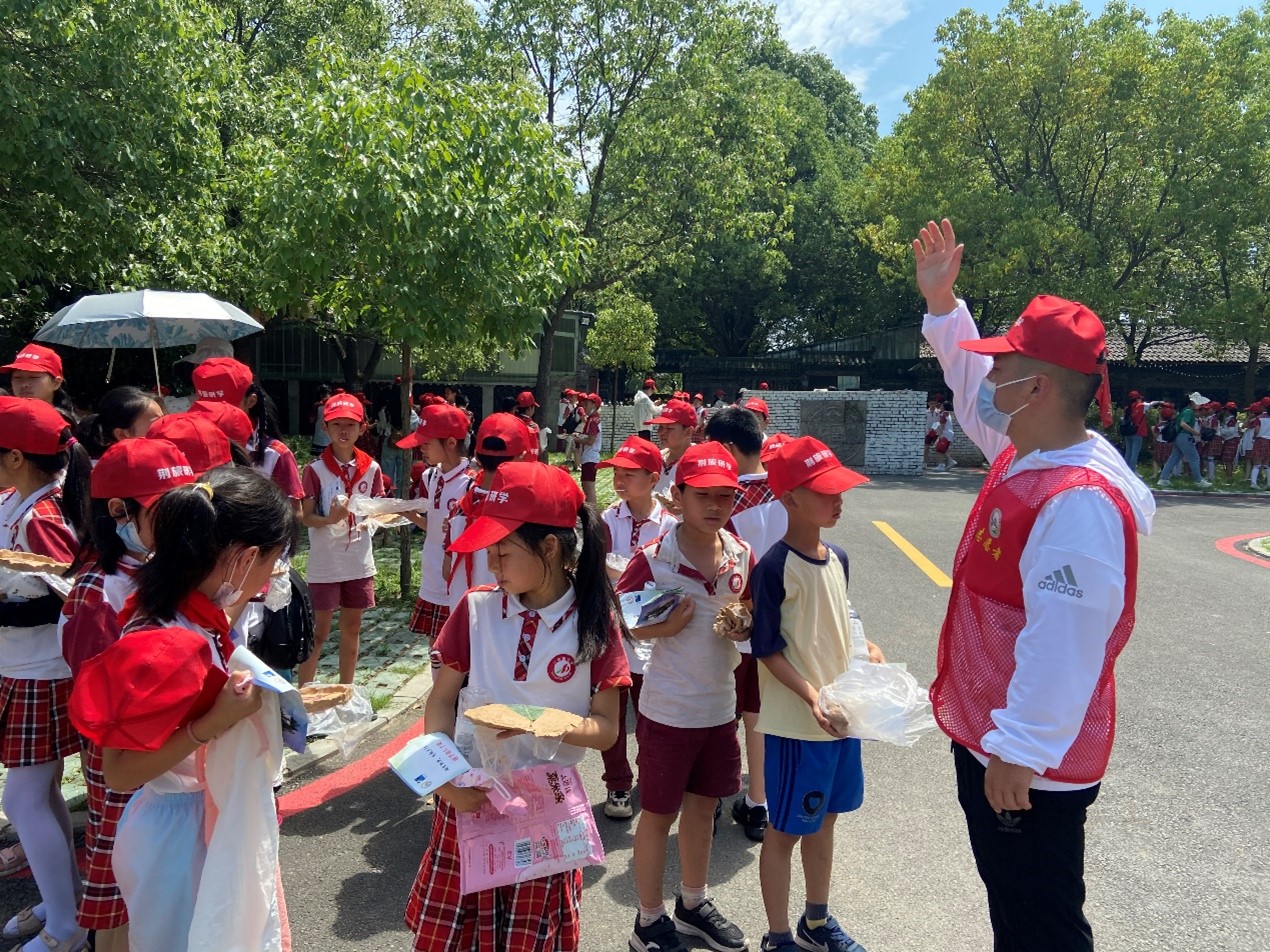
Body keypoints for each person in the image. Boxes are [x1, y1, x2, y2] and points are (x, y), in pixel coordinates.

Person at [914, 218, 1155, 952]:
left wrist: (1021, 747)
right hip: (999, 739)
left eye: (1003, 369)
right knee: (1016, 912)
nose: (990, 381)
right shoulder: (1030, 449)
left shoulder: (1077, 501)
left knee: (1042, 927)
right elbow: (969, 392)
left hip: (1027, 767)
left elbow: (1066, 642)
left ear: (1037, 388)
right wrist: (943, 307)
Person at [404, 462, 630, 952]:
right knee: (454, 935)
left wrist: (536, 722)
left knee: (530, 936)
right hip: (470, 794)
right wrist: (444, 781)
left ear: (549, 546)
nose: (492, 564)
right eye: (488, 551)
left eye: (502, 551)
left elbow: (607, 729)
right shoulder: (477, 609)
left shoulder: (594, 621)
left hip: (544, 810)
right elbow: (442, 700)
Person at [73, 466, 298, 952]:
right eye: (273, 561)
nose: (271, 577)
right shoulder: (169, 646)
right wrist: (212, 724)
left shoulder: (182, 608)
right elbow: (119, 771)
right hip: (180, 839)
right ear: (247, 558)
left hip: (190, 821)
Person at [59, 438, 196, 952]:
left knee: (157, 886)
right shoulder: (101, 591)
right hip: (126, 757)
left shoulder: (162, 570)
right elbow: (100, 701)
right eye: (167, 511)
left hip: (165, 754)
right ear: (118, 511)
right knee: (122, 891)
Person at [617, 442, 754, 952]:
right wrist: (665, 627)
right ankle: (648, 919)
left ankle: (693, 904)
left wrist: (744, 624)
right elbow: (628, 623)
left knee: (704, 810)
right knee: (658, 815)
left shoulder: (740, 553)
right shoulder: (656, 559)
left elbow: (750, 610)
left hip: (719, 710)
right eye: (703, 495)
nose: (716, 506)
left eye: (726, 496)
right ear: (677, 495)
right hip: (668, 711)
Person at [751, 436, 876, 952]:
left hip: (841, 720)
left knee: (826, 821)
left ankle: (816, 923)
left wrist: (865, 648)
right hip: (797, 727)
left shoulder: (838, 558)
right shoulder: (773, 567)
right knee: (784, 832)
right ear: (790, 498)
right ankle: (778, 935)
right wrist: (811, 697)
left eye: (840, 490)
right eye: (825, 492)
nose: (838, 500)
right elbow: (767, 648)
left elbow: (837, 622)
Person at [0, 399, 86, 952]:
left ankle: (66, 926)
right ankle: (65, 901)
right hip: (22, 667)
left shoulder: (43, 515)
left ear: (14, 457)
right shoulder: (17, 501)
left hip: (43, 672)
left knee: (22, 799)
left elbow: (71, 598)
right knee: (41, 791)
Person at [706, 406, 788, 843]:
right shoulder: (788, 492)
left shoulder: (723, 499)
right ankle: (759, 802)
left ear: (728, 447)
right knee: (760, 714)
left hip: (730, 624)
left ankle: (710, 797)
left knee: (720, 712)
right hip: (782, 625)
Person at [596, 435, 678, 822]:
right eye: (617, 473)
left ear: (653, 478)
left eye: (629, 474)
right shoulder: (607, 519)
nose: (620, 481)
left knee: (651, 717)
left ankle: (652, 777)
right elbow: (591, 570)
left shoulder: (672, 526)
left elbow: (677, 585)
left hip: (653, 636)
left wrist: (629, 583)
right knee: (610, 714)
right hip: (610, 631)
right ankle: (617, 783)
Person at [297, 394, 385, 685]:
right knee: (318, 632)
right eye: (337, 424)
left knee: (352, 628)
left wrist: (377, 520)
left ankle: (346, 690)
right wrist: (330, 520)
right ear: (325, 427)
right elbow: (306, 517)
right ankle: (305, 695)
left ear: (362, 428)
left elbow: (378, 508)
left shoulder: (371, 468)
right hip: (325, 562)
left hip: (358, 560)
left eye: (350, 424)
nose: (343, 431)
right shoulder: (315, 470)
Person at [398, 404, 472, 645]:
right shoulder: (429, 477)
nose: (421, 448)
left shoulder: (471, 484)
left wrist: (460, 529)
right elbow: (433, 527)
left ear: (450, 443)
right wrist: (410, 516)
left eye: (426, 443)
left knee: (458, 645)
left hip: (458, 577)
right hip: (432, 573)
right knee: (435, 645)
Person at [441, 414, 534, 604]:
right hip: (506, 615)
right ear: (521, 458)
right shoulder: (521, 514)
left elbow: (446, 571)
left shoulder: (460, 508)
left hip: (464, 613)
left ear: (477, 456)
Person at [75, 387, 165, 460]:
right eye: (157, 424)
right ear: (122, 434)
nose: (166, 428)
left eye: (165, 421)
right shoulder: (109, 472)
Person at [1158, 391, 1212, 488]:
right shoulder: (1189, 411)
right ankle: (1198, 480)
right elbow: (1183, 424)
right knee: (1194, 458)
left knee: (1173, 458)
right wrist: (1195, 433)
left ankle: (1163, 479)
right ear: (1193, 402)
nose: (1200, 405)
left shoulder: (1184, 410)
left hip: (1178, 437)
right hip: (1184, 437)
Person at [647, 399, 697, 497]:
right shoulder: (656, 458)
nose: (662, 433)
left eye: (669, 428)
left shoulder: (698, 461)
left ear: (688, 432)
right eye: (660, 427)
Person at [1, 345, 66, 408]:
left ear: (56, 383)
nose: (24, 384)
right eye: (17, 377)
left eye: (33, 377)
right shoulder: (4, 414)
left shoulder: (62, 415)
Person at [575, 393, 603, 508]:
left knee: (589, 489)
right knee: (587, 487)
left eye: (587, 404)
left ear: (594, 405)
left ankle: (593, 514)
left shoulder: (593, 420)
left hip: (590, 457)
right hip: (589, 457)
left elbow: (590, 440)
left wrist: (574, 439)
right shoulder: (592, 419)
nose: (584, 406)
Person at [1118, 391, 1147, 470]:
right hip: (1138, 432)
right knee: (1135, 453)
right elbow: (1151, 404)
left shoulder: (1127, 408)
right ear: (1137, 398)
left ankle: (1126, 469)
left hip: (1128, 432)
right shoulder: (1141, 406)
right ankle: (1132, 469)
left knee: (1128, 452)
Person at [513, 391, 541, 462]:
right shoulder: (534, 426)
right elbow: (539, 449)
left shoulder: (512, 422)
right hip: (530, 462)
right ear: (529, 408)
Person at [1248, 399, 1270, 489]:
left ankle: (1253, 483)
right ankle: (1269, 483)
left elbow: (1256, 430)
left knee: (1257, 464)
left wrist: (1254, 437)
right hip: (1269, 442)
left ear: (1263, 406)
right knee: (1266, 464)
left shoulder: (1259, 418)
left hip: (1260, 441)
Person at [931, 400, 958, 471]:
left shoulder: (944, 415)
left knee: (939, 449)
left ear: (944, 406)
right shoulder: (946, 414)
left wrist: (940, 435)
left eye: (942, 405)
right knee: (942, 449)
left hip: (945, 434)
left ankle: (941, 465)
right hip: (948, 434)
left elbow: (942, 426)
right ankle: (950, 461)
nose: (940, 406)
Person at [311, 384, 333, 456]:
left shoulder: (317, 405)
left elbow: (311, 420)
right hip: (332, 438)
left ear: (320, 394)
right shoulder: (334, 405)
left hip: (319, 438)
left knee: (318, 459)